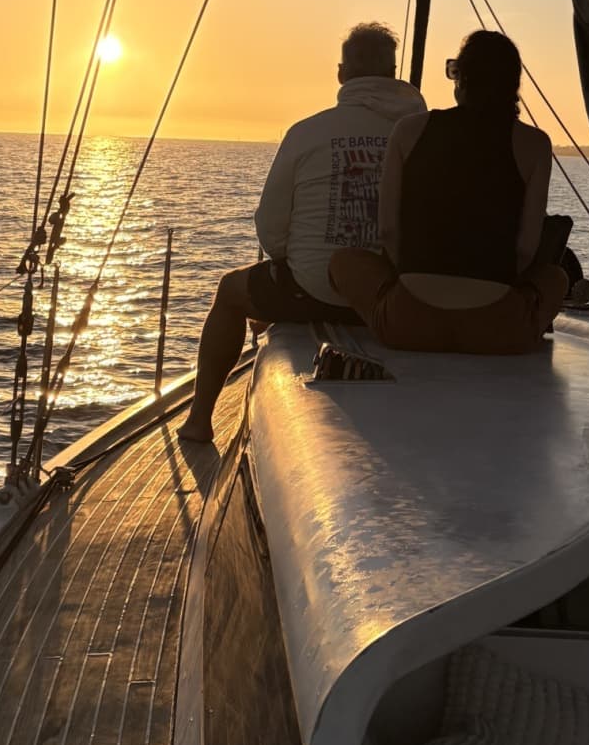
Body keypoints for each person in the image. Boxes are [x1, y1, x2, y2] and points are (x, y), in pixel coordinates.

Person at [178, 22, 425, 440]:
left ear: (342, 74)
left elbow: (272, 231)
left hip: (313, 291)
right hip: (390, 296)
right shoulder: (423, 133)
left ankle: (200, 422)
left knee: (230, 292)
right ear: (394, 71)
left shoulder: (308, 132)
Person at [329, 30, 568, 353]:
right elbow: (526, 248)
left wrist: (411, 280)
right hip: (499, 330)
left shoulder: (409, 130)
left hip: (408, 322)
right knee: (556, 278)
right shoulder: (535, 144)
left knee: (343, 262)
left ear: (462, 78)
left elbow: (388, 230)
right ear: (513, 85)